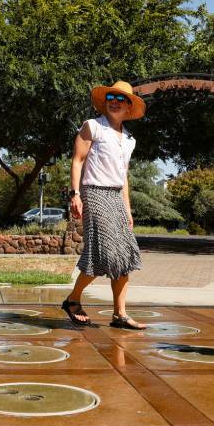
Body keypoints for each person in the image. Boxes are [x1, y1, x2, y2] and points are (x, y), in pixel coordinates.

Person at [61, 80, 146, 329]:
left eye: (121, 99)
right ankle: (73, 299)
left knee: (125, 256)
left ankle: (119, 314)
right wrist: (75, 194)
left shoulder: (129, 140)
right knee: (104, 253)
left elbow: (123, 177)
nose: (115, 102)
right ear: (105, 102)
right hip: (94, 193)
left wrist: (127, 209)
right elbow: (77, 160)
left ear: (129, 107)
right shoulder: (92, 127)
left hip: (116, 196)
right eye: (111, 97)